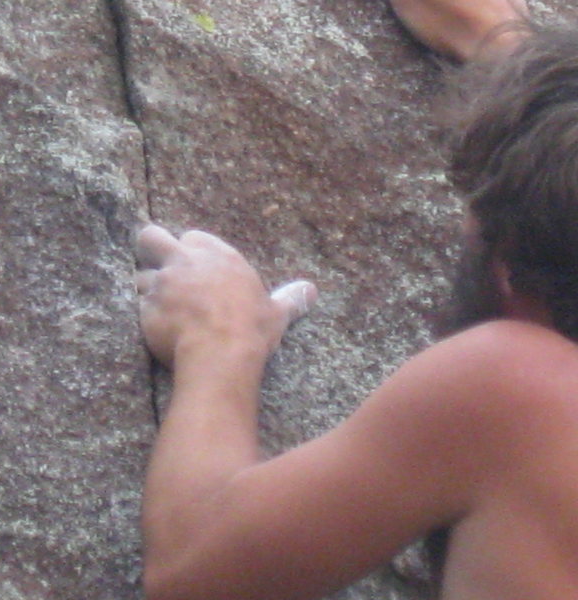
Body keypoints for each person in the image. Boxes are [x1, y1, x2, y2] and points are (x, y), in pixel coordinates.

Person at [135, 1, 578, 598]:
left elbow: (193, 567)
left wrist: (219, 341)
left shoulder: (526, 392)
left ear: (506, 269)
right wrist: (514, 55)